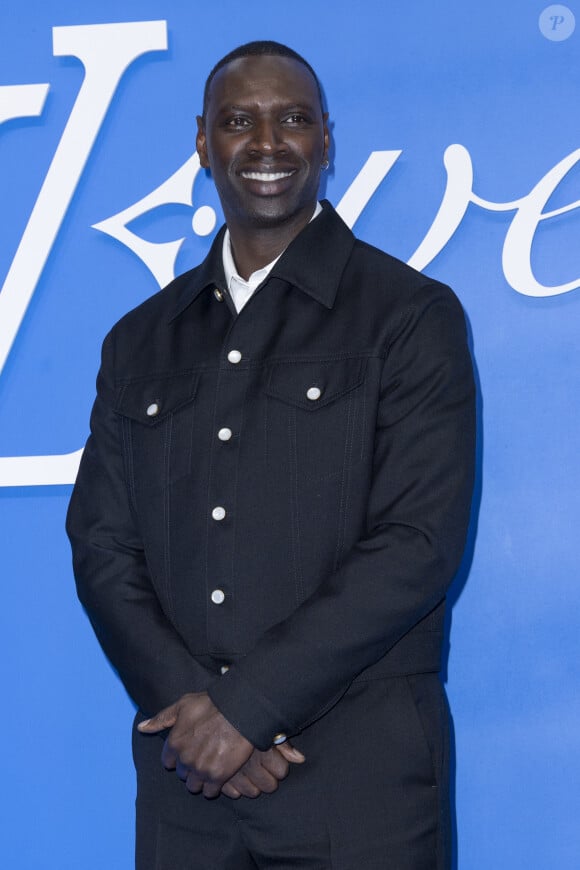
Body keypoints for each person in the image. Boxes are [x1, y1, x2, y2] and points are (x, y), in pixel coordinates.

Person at [67, 40, 475, 870]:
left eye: (292, 119)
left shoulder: (410, 317)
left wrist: (243, 713)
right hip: (189, 791)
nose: (266, 143)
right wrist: (193, 714)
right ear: (202, 143)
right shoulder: (139, 341)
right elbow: (104, 547)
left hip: (363, 785)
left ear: (327, 141)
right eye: (237, 121)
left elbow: (416, 545)